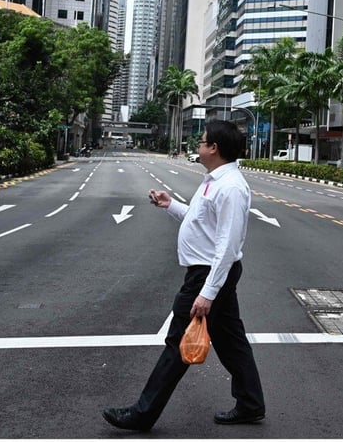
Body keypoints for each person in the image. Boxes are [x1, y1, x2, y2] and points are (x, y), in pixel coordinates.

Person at [103, 120, 266, 432]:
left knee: (178, 343)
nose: (198, 146)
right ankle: (251, 403)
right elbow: (202, 222)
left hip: (208, 275)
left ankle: (143, 413)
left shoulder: (230, 187)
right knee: (231, 342)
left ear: (214, 148)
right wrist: (170, 205)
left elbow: (227, 246)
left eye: (202, 141)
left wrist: (207, 292)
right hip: (209, 273)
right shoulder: (214, 180)